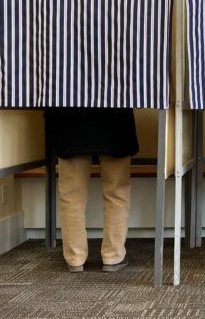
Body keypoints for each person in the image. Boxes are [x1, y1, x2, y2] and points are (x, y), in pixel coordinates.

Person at [44, 108, 138, 273]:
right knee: (116, 192)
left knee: (71, 195)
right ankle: (113, 257)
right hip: (115, 120)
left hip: (71, 123)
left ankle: (75, 258)